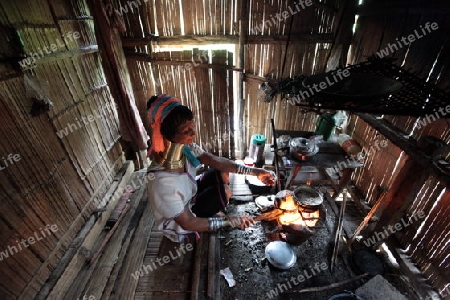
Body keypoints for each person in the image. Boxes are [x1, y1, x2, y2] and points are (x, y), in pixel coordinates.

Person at [146, 94, 275, 243]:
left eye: (192, 127)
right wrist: (229, 221)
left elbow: (215, 161)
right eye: (186, 131)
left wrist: (255, 172)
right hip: (181, 220)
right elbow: (187, 222)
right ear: (168, 135)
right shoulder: (162, 183)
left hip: (191, 192)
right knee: (225, 191)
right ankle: (211, 217)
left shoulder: (185, 148)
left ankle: (211, 211)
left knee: (223, 173)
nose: (193, 133)